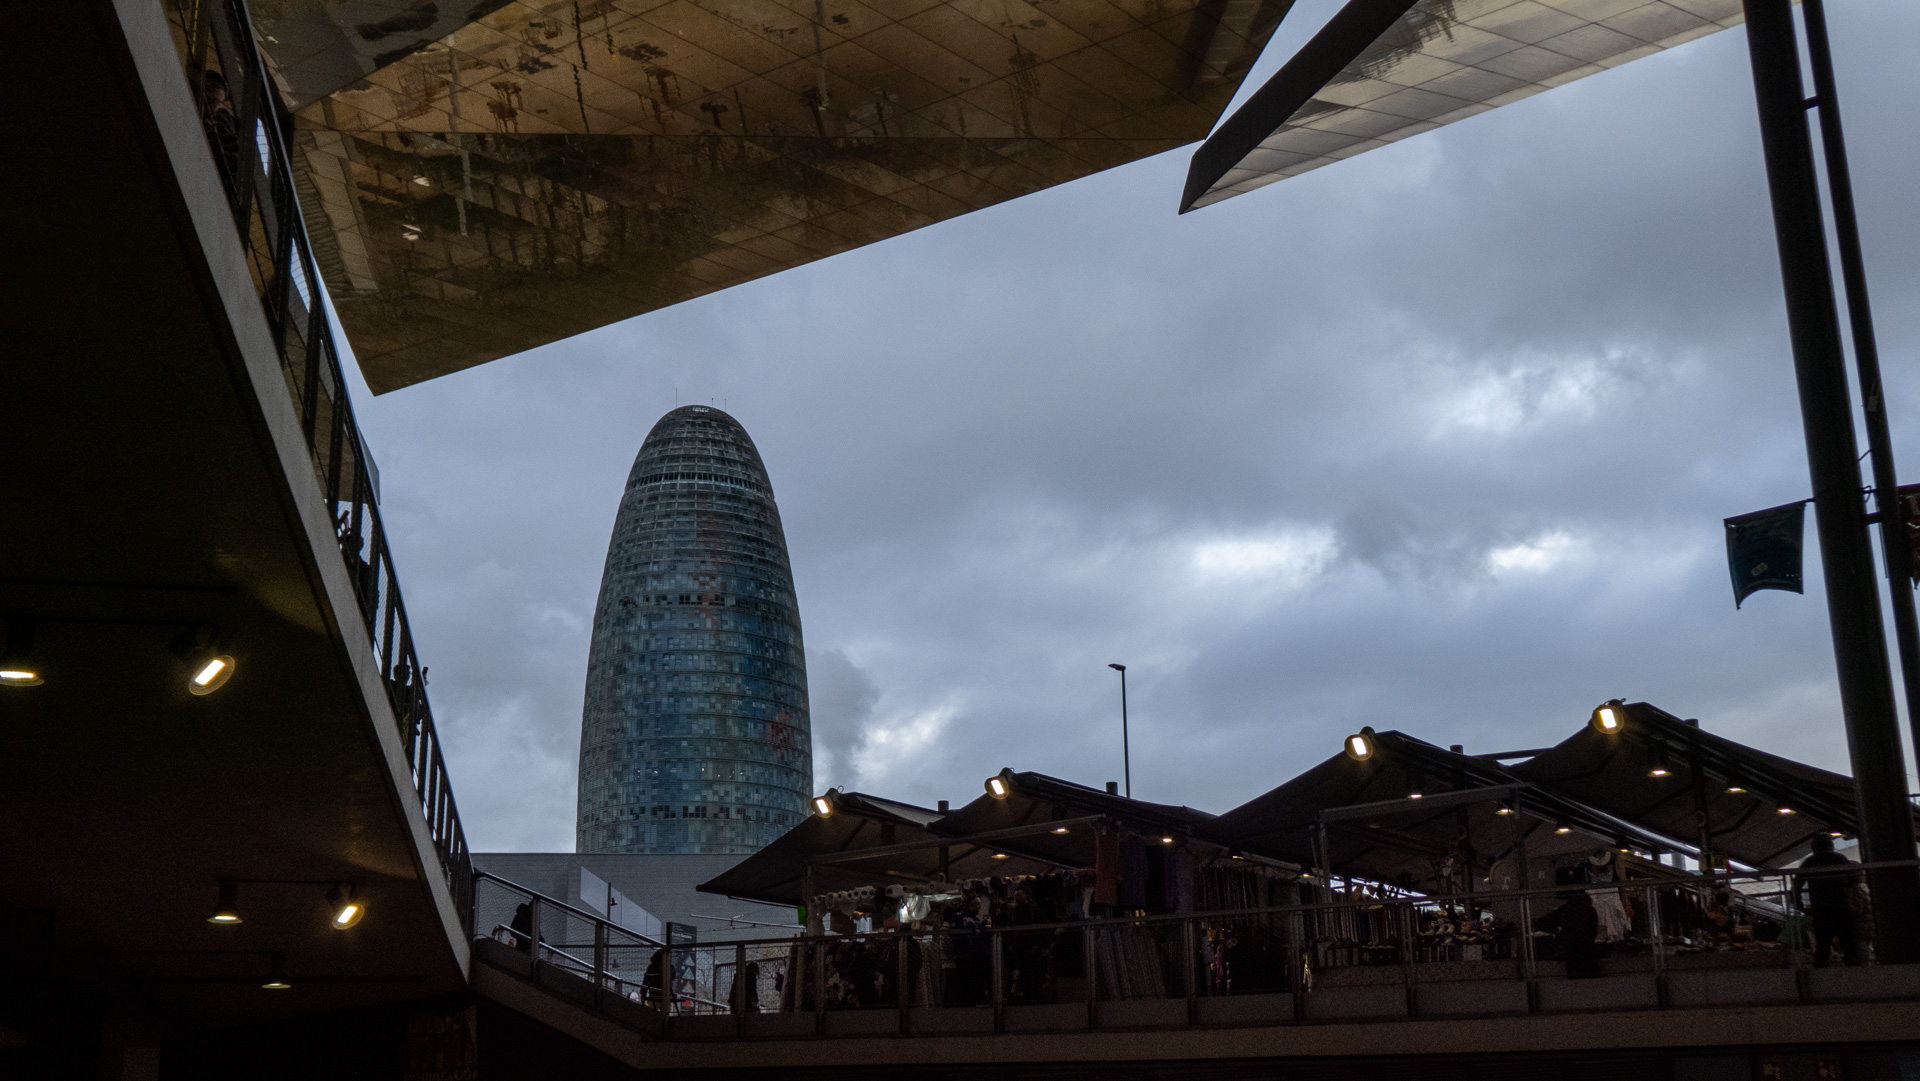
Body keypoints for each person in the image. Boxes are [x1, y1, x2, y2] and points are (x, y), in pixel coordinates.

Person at [1799, 834, 1860, 966]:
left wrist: (1801, 905)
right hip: (1842, 906)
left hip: (1820, 909)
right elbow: (1853, 881)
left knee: (1822, 945)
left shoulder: (1809, 862)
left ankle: (1820, 975)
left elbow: (1796, 885)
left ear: (1813, 846)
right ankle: (1856, 973)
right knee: (1849, 944)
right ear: (1831, 845)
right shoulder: (1840, 858)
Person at [1535, 865, 1601, 977]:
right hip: (1589, 950)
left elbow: (1542, 922)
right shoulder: (1590, 910)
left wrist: (1557, 932)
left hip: (1572, 951)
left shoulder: (1565, 910)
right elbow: (1594, 930)